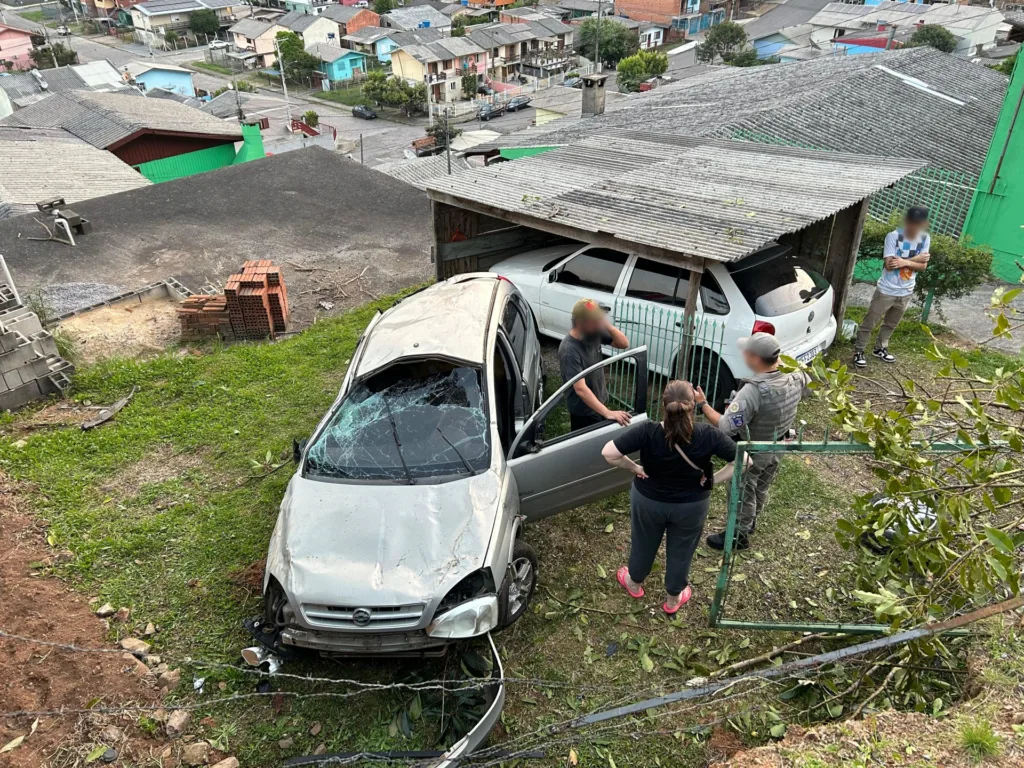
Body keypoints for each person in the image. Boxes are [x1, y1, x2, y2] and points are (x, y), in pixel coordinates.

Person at [601, 381, 744, 614]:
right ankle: (672, 600)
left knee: (642, 542)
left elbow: (608, 453)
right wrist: (713, 480)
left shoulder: (647, 431)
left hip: (648, 500)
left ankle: (634, 583)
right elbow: (744, 461)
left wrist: (635, 469)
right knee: (682, 550)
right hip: (691, 505)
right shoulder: (709, 435)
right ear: (693, 405)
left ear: (664, 405)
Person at [695, 332, 808, 551]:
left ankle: (739, 535)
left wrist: (703, 405)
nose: (743, 355)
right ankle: (751, 521)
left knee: (743, 490)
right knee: (762, 486)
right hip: (779, 443)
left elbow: (727, 426)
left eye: (746, 352)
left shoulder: (754, 391)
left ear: (755, 358)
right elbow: (808, 391)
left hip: (755, 449)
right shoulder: (796, 374)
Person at [853, 207, 931, 369]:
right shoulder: (894, 237)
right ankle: (859, 350)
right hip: (886, 290)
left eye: (917, 223)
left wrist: (904, 262)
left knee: (891, 323)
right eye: (911, 222)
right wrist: (915, 259)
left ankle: (880, 348)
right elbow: (890, 265)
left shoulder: (925, 238)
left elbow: (923, 267)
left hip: (906, 290)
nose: (913, 226)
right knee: (870, 321)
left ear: (923, 224)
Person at [558, 298, 630, 432]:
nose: (598, 324)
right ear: (580, 322)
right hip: (584, 411)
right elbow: (580, 389)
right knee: (588, 449)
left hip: (598, 402)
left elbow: (623, 343)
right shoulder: (569, 350)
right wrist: (607, 412)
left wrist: (607, 325)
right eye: (594, 320)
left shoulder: (593, 333)